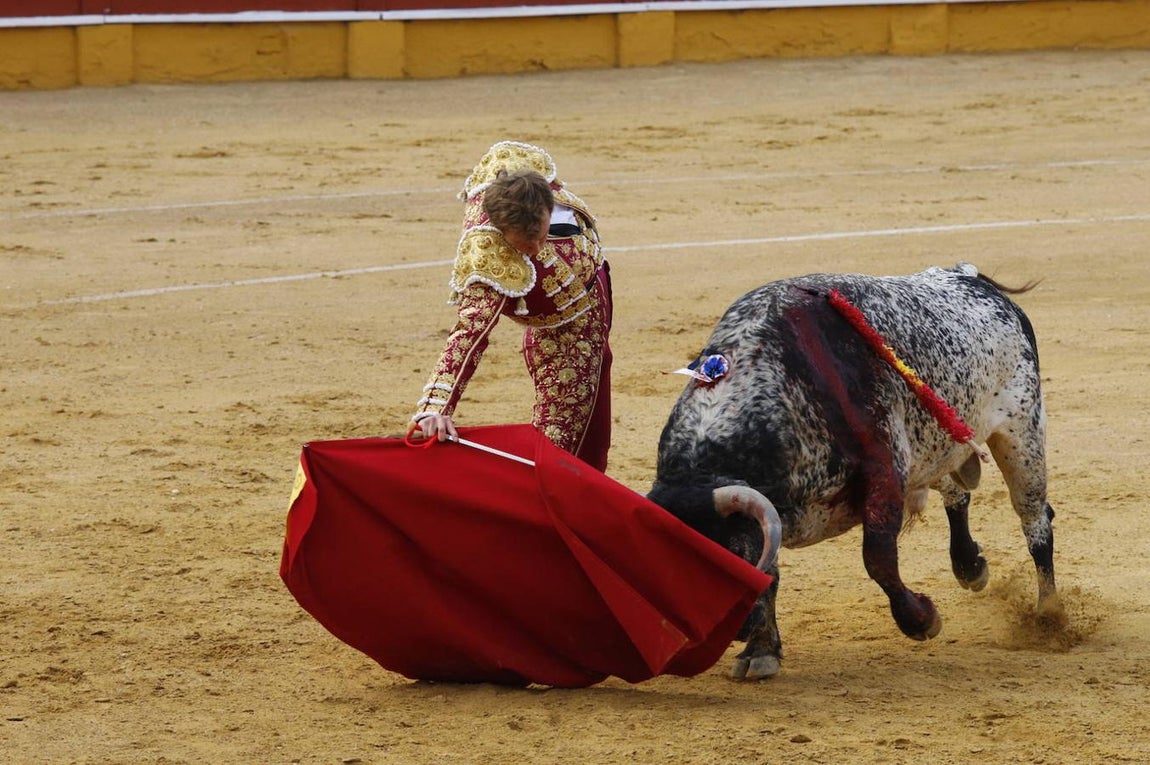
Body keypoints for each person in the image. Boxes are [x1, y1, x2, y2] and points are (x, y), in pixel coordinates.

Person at [410, 140, 613, 472]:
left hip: (596, 291)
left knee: (596, 426)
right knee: (560, 448)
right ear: (504, 234)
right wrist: (436, 407)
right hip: (563, 333)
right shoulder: (489, 259)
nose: (535, 248)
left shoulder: (526, 174)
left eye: (541, 237)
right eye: (524, 243)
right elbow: (468, 334)